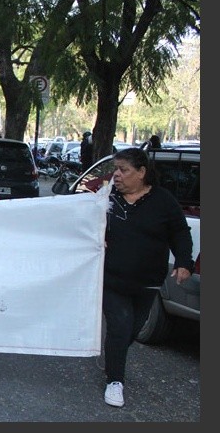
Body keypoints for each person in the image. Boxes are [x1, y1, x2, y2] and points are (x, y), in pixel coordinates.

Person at [101, 147, 194, 408]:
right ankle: (115, 381)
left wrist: (185, 262)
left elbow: (179, 232)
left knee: (130, 331)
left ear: (141, 173)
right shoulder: (106, 197)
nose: (116, 175)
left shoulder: (163, 200)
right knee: (120, 326)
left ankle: (113, 358)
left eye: (123, 170)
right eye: (115, 169)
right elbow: (83, 223)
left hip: (147, 282)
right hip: (112, 280)